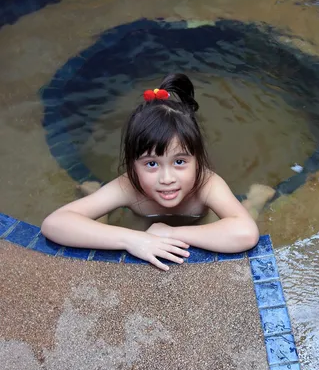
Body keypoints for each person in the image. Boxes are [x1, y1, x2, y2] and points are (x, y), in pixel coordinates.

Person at [42, 73, 275, 271]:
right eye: (151, 164)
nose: (167, 179)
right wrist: (131, 239)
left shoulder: (207, 183)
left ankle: (254, 200)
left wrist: (172, 233)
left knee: (243, 215)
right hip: (146, 225)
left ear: (198, 161)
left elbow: (245, 233)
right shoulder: (128, 186)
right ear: (132, 165)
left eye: (180, 162)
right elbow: (55, 224)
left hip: (199, 224)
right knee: (99, 222)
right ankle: (93, 195)